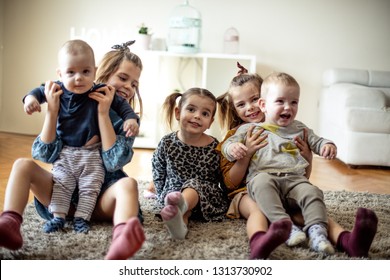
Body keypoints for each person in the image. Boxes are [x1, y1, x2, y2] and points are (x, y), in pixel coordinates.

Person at [0, 40, 145, 260]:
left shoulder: (127, 120)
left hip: (101, 200)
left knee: (129, 184)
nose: (128, 87)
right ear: (102, 74)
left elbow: (113, 163)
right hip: (62, 196)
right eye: (123, 78)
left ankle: (123, 237)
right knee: (22, 165)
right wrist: (51, 112)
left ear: (92, 72)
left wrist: (104, 115)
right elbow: (43, 154)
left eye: (135, 84)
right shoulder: (66, 98)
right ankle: (9, 223)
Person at [220, 70, 378, 257]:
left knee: (312, 201)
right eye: (241, 104)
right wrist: (238, 150)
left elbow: (304, 173)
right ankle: (265, 238)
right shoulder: (243, 131)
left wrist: (316, 152)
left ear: (263, 100)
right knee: (260, 208)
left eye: (254, 99)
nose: (251, 108)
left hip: (291, 184)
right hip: (250, 191)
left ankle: (346, 241)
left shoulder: (296, 129)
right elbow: (230, 179)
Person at [152, 88, 228, 240]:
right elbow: (158, 169)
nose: (197, 116)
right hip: (173, 195)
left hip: (204, 197)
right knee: (178, 206)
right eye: (191, 109)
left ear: (210, 123)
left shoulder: (215, 146)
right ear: (178, 113)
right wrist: (161, 194)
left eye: (205, 113)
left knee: (192, 186)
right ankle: (179, 227)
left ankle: (180, 207)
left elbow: (222, 176)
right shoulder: (167, 142)